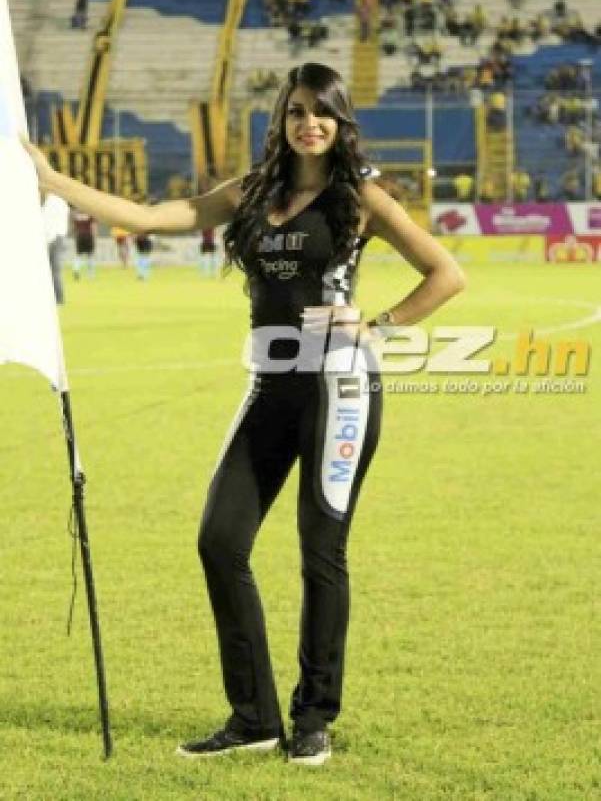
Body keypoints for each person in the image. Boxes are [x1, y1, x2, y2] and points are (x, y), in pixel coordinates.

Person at [21, 62, 465, 766]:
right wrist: (51, 181)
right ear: (281, 122)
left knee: (320, 553)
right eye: (295, 111)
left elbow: (446, 273)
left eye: (321, 112)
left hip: (337, 387)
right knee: (220, 541)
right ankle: (253, 717)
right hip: (270, 386)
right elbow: (148, 217)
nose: (307, 123)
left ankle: (313, 716)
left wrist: (377, 325)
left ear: (339, 121)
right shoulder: (252, 194)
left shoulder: (361, 198)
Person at [41, 191, 69, 305]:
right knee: (54, 270)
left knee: (54, 269)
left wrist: (48, 239)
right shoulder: (60, 201)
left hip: (54, 237)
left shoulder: (52, 202)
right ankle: (57, 297)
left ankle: (58, 298)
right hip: (59, 236)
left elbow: (48, 222)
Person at [71, 209, 96, 279]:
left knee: (79, 255)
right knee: (90, 256)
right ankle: (90, 275)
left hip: (79, 236)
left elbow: (74, 228)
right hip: (88, 236)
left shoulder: (76, 216)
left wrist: (75, 237)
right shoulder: (90, 215)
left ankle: (76, 269)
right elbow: (93, 227)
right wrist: (94, 237)